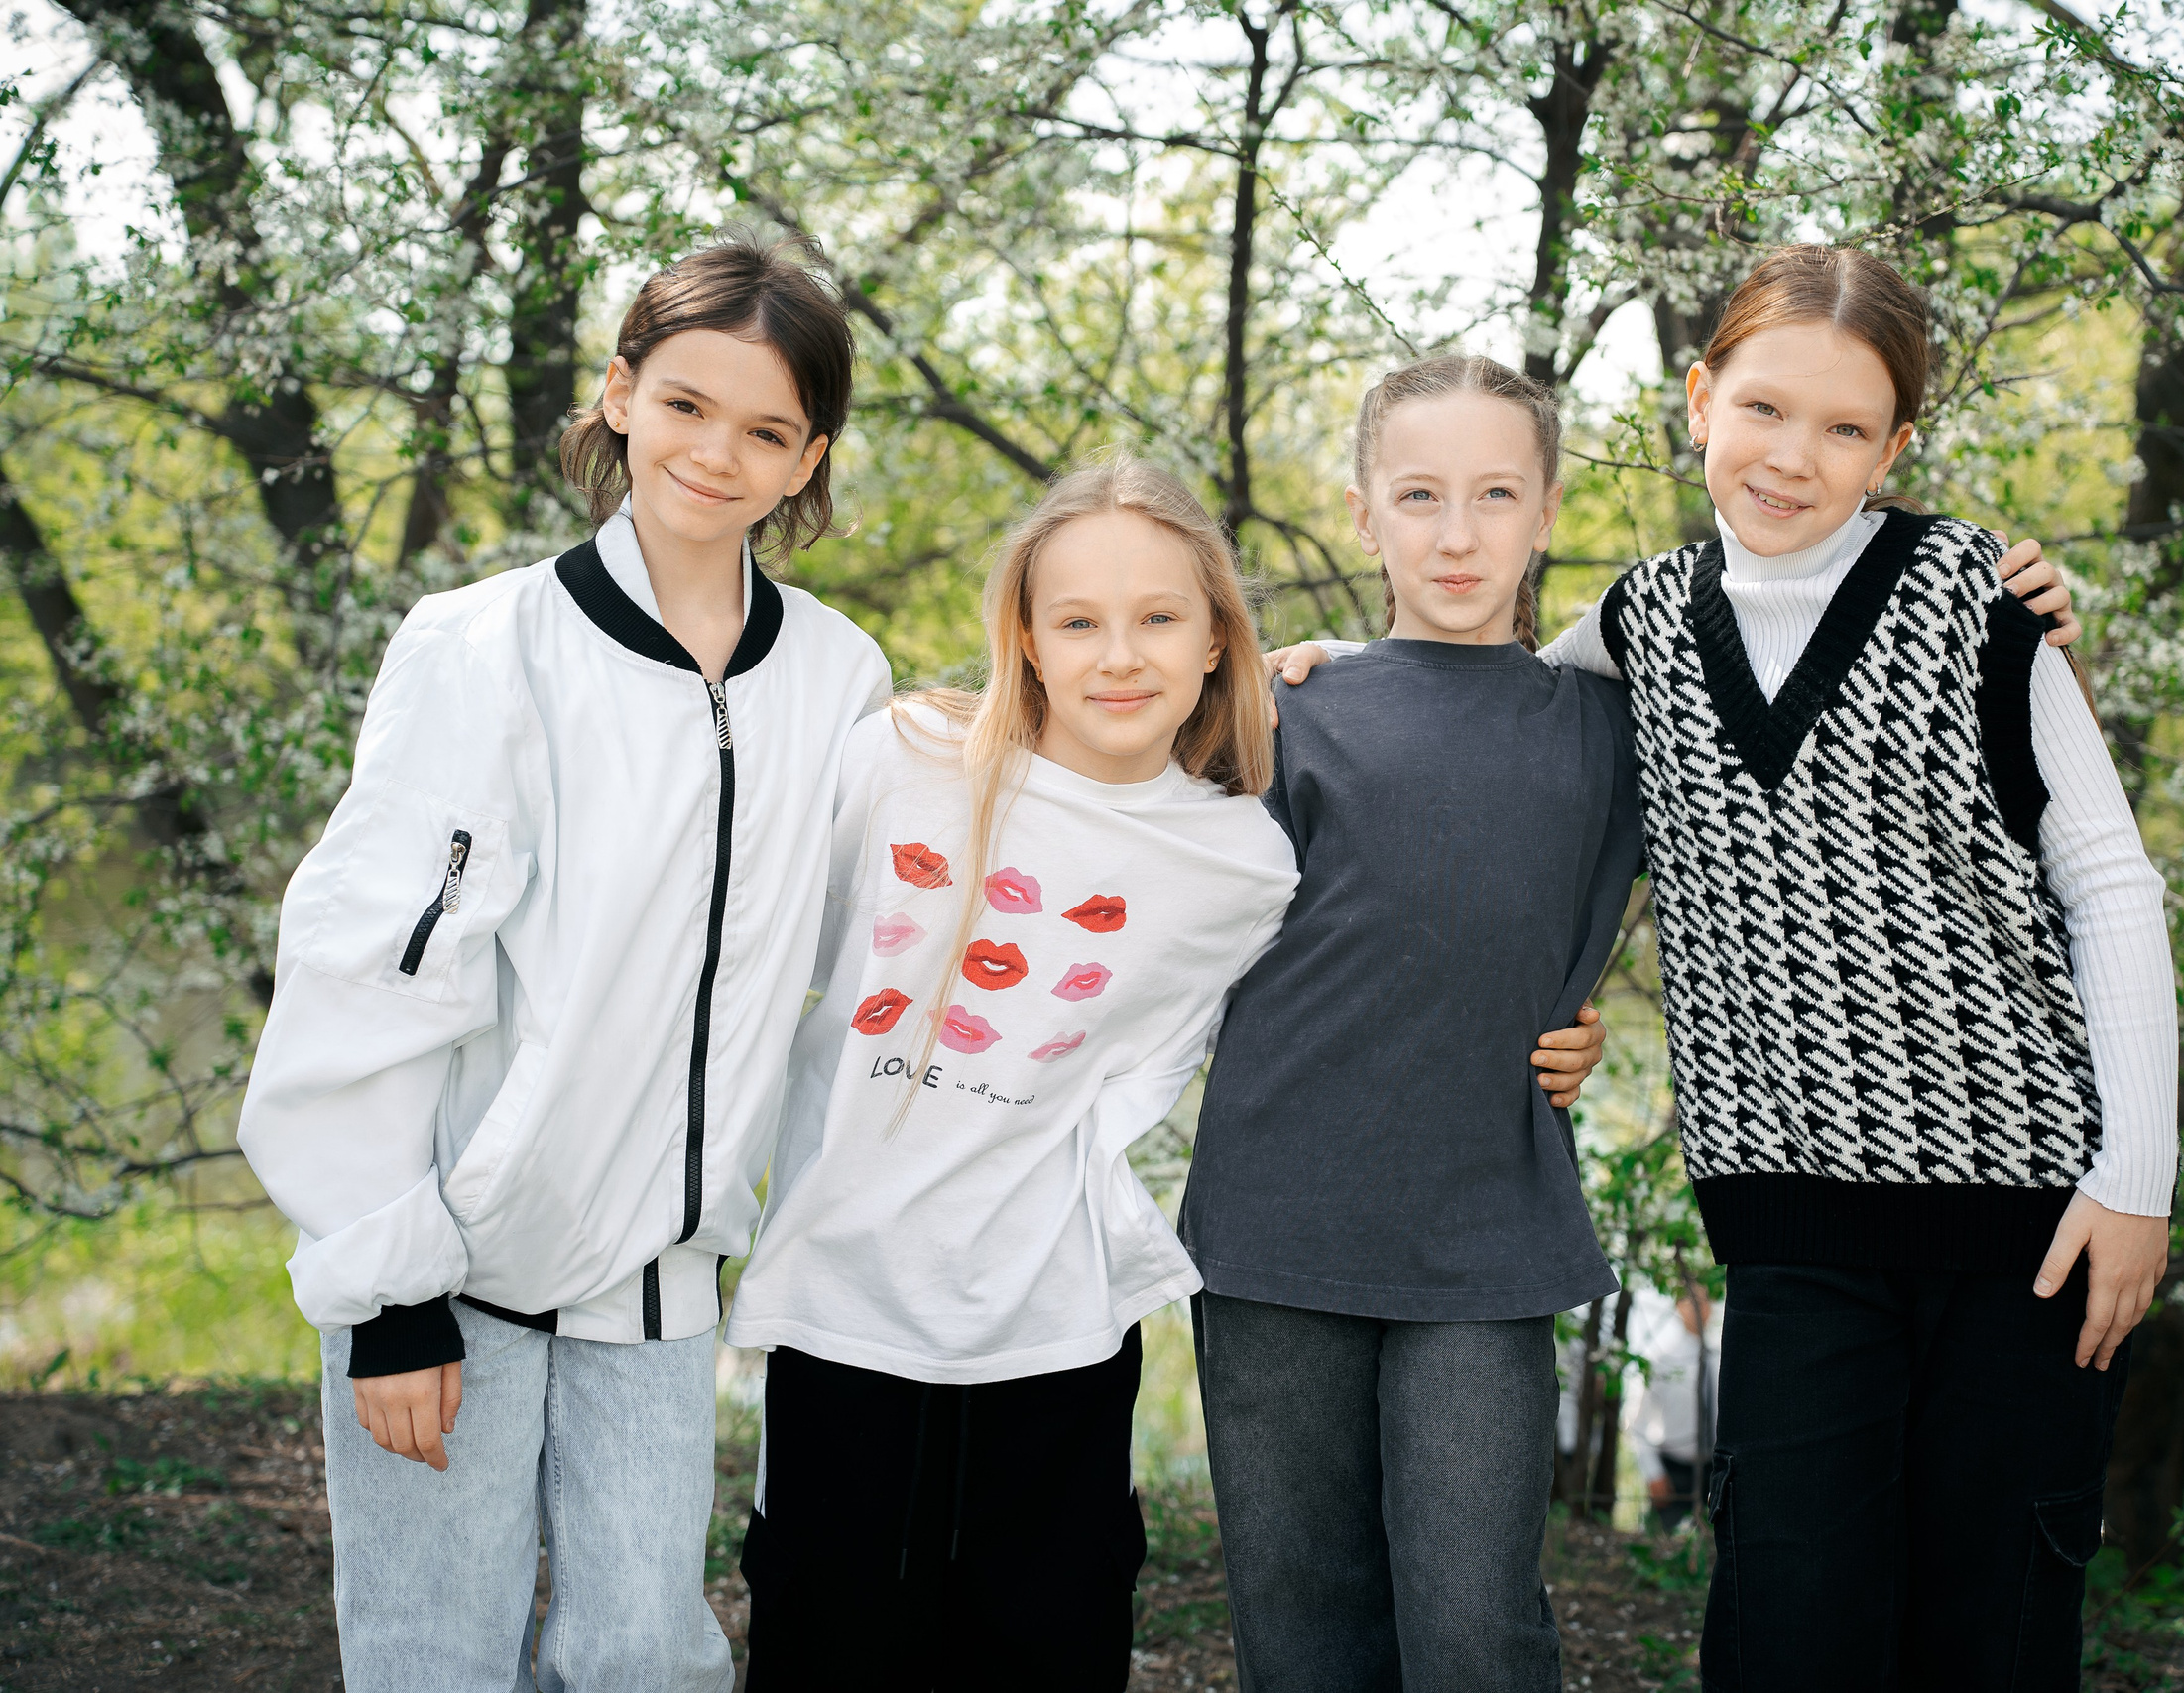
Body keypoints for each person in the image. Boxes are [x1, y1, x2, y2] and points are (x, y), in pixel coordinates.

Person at [1281, 246, 2177, 1692]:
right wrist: (1332, 663)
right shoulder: (1642, 619)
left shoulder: (1975, 597)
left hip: (2031, 1219)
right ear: (1699, 401)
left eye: (1844, 428)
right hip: (1791, 1221)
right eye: (1763, 408)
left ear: (1894, 447)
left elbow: (2111, 883)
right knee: (1786, 1620)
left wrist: (2140, 1172)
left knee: (1993, 1624)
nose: (1792, 456)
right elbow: (1477, 681)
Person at [722, 453, 1614, 1693]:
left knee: (1049, 1647)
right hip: (842, 1314)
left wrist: (1559, 1028)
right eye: (1078, 621)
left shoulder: (1239, 858)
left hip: (1059, 1328)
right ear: (1024, 638)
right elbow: (742, 969)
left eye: (1158, 619)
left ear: (1214, 641)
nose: (1118, 655)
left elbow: (1387, 967)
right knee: (834, 1649)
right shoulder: (904, 760)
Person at [236, 233, 891, 1692]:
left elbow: (885, 938)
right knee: (433, 1662)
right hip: (452, 1272)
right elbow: (368, 968)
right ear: (619, 395)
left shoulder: (841, 677)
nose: (715, 452)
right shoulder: (483, 645)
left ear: (809, 460)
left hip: (664, 1283)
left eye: (766, 429)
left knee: (645, 1659)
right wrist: (387, 1288)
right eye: (685, 404)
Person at [1177, 353, 1644, 1693]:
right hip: (1275, 1230)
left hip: (1487, 1232)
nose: (1457, 533)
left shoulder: (1612, 726)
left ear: (1546, 510)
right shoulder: (1282, 712)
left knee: (1474, 1631)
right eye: (1419, 494)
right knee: (1301, 1624)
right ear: (1362, 511)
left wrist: (2026, 628)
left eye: (1495, 493)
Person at [1624, 1285, 1718, 1533]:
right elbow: (1636, 1422)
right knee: (1672, 1545)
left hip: (1715, 1470)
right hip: (1674, 1471)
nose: (1699, 1308)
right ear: (1679, 1306)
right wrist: (1653, 1473)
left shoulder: (1720, 1357)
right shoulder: (1661, 1359)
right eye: (1691, 1300)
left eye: (1704, 1300)